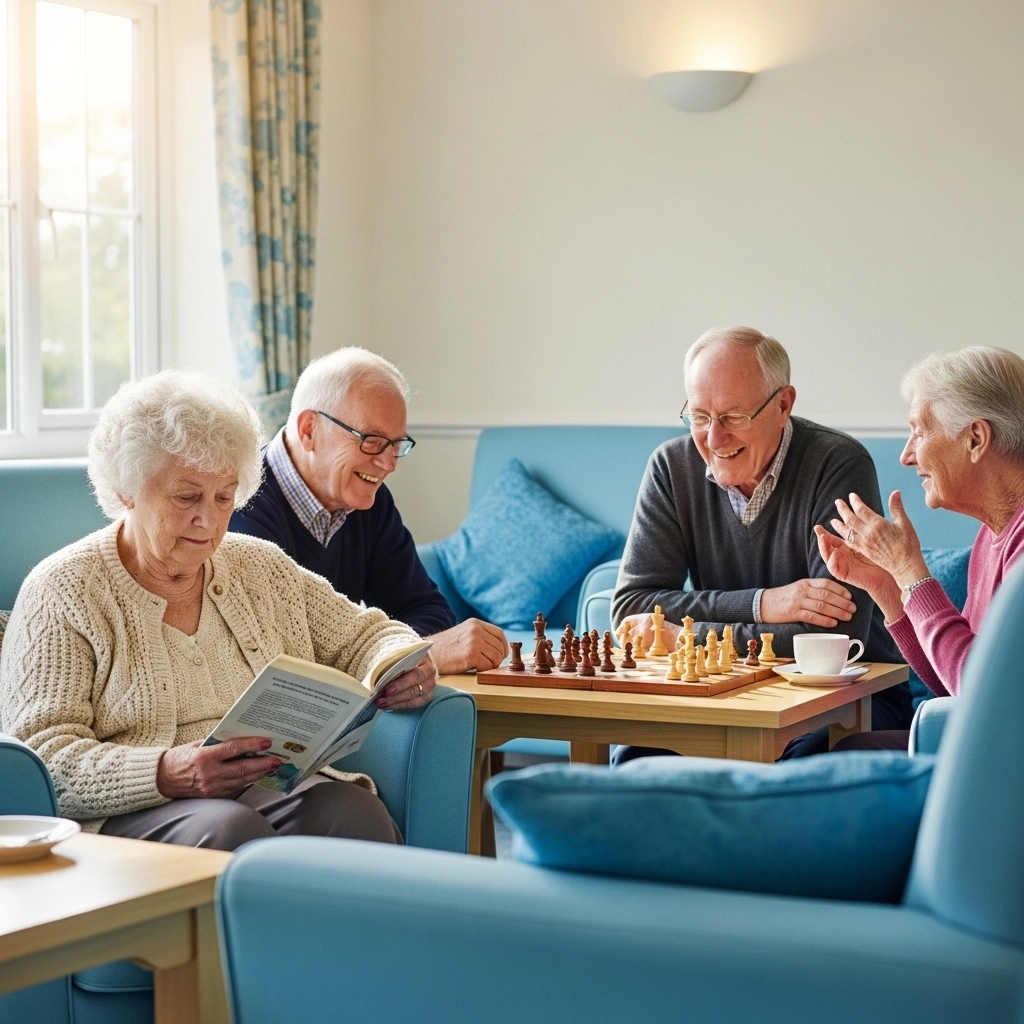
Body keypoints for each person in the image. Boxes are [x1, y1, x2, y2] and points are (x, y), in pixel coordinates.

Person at [0, 371, 436, 851]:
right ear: (127, 490)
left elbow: (364, 632)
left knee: (355, 814)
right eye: (186, 496)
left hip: (260, 788)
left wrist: (398, 663)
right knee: (230, 831)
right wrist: (167, 772)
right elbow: (40, 759)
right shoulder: (64, 590)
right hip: (133, 808)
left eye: (225, 497)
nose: (208, 520)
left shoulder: (257, 564)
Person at [611, 326, 911, 760]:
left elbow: (832, 639)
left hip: (847, 700)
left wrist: (686, 638)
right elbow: (632, 610)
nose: (714, 439)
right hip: (721, 694)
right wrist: (764, 604)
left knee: (800, 769)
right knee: (637, 760)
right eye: (699, 416)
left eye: (733, 417)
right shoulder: (670, 467)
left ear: (784, 404)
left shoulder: (838, 464)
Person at [230, 348, 508, 675]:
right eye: (372, 440)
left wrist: (401, 658)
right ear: (309, 430)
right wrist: (422, 657)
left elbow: (425, 608)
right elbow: (280, 666)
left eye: (396, 445)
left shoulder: (365, 500)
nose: (388, 464)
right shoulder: (240, 507)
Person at [816, 346, 1024, 749]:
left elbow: (986, 697)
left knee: (840, 752)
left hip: (1004, 759)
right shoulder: (991, 533)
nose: (907, 455)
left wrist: (910, 570)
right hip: (987, 745)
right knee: (833, 748)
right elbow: (949, 681)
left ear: (976, 438)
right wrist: (887, 586)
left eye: (920, 430)